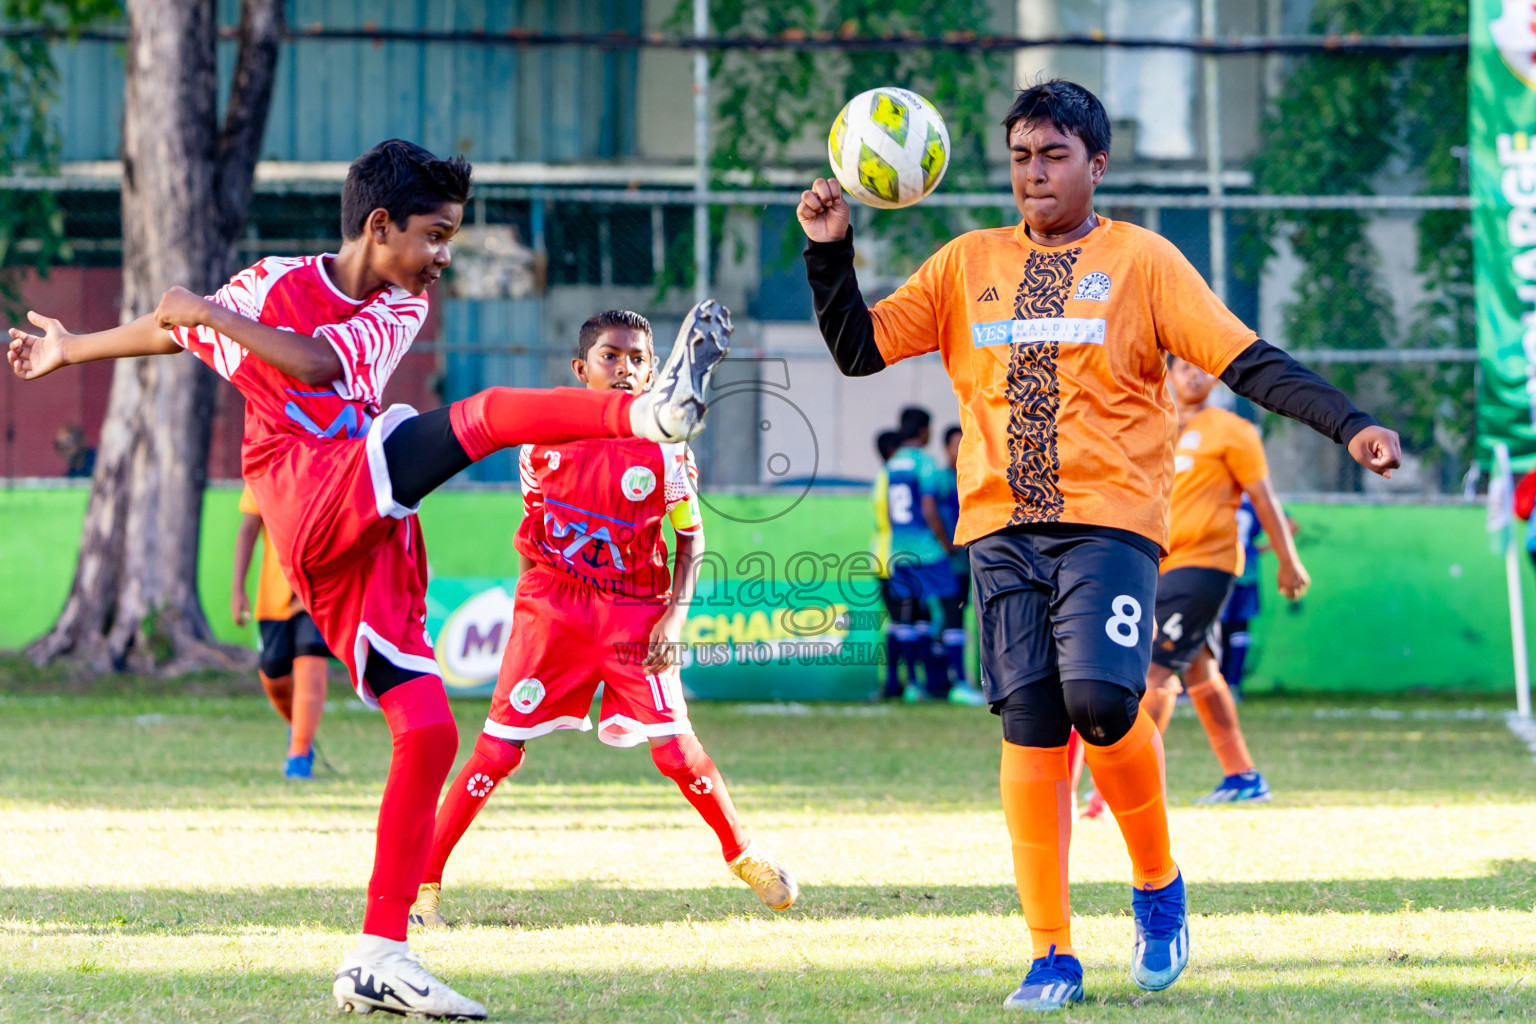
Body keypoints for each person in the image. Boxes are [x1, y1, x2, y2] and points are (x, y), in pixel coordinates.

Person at [8, 139, 729, 1020]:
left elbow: (306, 362)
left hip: (365, 523)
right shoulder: (273, 282)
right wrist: (74, 348)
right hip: (308, 489)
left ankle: (379, 955)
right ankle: (649, 412)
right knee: (485, 415)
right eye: (436, 235)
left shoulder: (397, 310)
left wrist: (204, 313)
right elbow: (169, 328)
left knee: (426, 731)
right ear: (380, 225)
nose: (444, 257)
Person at [797, 79, 1400, 1010]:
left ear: (1096, 165)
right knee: (1031, 724)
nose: (1034, 176)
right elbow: (858, 349)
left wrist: (1348, 422)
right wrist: (829, 254)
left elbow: (1246, 358)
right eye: (1020, 158)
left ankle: (1157, 885)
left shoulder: (1144, 262)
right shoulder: (965, 264)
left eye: (1054, 156)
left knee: (1102, 701)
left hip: (1111, 523)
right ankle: (1050, 953)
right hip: (999, 529)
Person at [407, 310, 795, 931]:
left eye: (640, 359)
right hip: (553, 607)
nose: (626, 369)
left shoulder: (668, 446)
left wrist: (674, 618)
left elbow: (691, 538)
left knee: (675, 748)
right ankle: (423, 882)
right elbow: (541, 517)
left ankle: (743, 856)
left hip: (635, 613)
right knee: (497, 753)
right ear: (580, 368)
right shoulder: (540, 438)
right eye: (612, 357)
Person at [1145, 355, 1305, 804]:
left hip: (1206, 563)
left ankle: (1124, 789)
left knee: (1155, 670)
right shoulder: (1157, 429)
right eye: (1181, 368)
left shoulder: (1232, 430)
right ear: (1168, 376)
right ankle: (1242, 777)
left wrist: (1287, 561)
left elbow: (1264, 498)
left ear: (1215, 377)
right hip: (1163, 566)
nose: (1192, 374)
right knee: (1199, 669)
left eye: (1200, 367)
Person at [233, 484, 331, 779]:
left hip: (317, 591)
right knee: (274, 675)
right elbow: (248, 529)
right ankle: (301, 730)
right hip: (273, 595)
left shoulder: (328, 460)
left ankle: (298, 755)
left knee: (311, 665)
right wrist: (238, 589)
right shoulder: (264, 468)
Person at [883, 406, 963, 702]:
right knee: (953, 608)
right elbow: (929, 508)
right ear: (923, 431)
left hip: (899, 550)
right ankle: (960, 684)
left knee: (908, 619)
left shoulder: (893, 464)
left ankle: (913, 684)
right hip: (928, 551)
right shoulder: (924, 464)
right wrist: (946, 543)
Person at [936, 424, 984, 704]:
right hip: (950, 561)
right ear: (946, 448)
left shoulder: (976, 476)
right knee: (949, 619)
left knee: (980, 619)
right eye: (957, 444)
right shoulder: (942, 480)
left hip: (973, 558)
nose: (962, 449)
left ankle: (977, 680)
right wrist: (947, 545)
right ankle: (952, 682)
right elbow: (931, 513)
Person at [872, 428, 904, 698]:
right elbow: (893, 516)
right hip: (894, 557)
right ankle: (897, 683)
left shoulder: (883, 474)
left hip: (881, 557)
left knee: (897, 624)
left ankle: (895, 682)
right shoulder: (894, 474)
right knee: (904, 623)